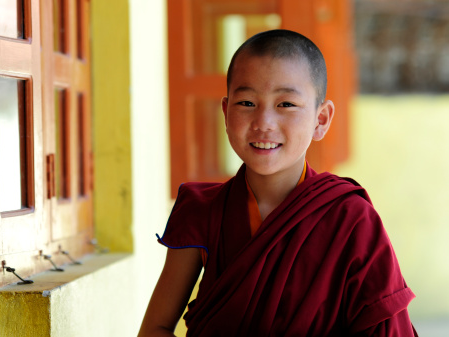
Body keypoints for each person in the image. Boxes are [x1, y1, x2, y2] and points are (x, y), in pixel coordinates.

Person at [138, 29, 417, 337]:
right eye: (246, 103)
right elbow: (156, 327)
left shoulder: (350, 219)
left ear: (320, 119)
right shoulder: (203, 211)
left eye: (286, 104)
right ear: (225, 112)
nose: (264, 123)